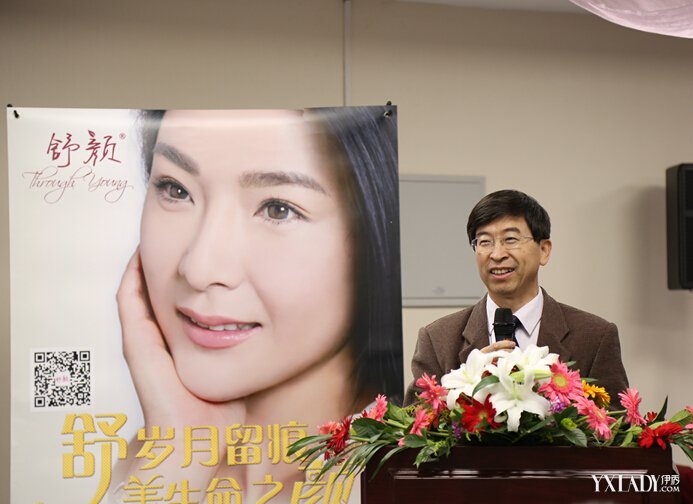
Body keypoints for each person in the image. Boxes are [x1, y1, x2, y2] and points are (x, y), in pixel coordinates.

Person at [113, 107, 403, 502]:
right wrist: (175, 455)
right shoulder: (139, 465)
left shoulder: (398, 479)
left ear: (373, 234)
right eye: (176, 189)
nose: (199, 269)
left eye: (277, 209)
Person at [404, 189, 628, 406]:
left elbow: (616, 424)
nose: (497, 254)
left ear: (544, 250)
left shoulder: (595, 337)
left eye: (510, 239)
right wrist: (464, 391)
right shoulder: (437, 339)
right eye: (484, 241)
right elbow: (414, 423)